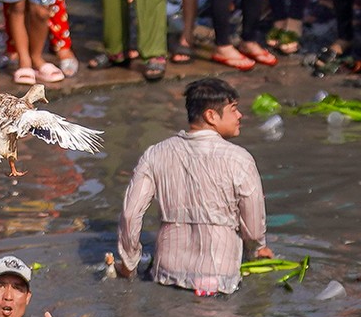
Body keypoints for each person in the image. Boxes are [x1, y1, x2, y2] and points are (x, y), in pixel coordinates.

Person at [114, 77, 270, 296]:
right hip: (219, 277)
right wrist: (257, 249)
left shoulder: (155, 154)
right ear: (211, 116)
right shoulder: (239, 159)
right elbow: (253, 227)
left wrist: (128, 264)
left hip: (166, 273)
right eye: (234, 109)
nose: (240, 115)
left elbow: (130, 215)